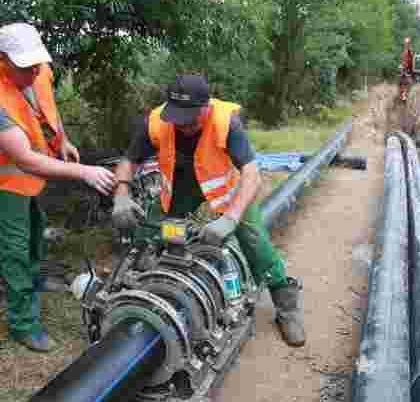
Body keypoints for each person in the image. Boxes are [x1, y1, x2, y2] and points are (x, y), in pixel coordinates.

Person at [111, 74, 306, 347]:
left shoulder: (226, 123)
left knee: (256, 243)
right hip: (180, 186)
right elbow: (129, 161)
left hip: (224, 188)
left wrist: (231, 218)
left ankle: (287, 306)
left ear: (205, 107)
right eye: (177, 118)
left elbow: (252, 174)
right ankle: (138, 286)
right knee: (148, 231)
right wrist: (121, 194)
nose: (182, 125)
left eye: (189, 118)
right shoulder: (157, 122)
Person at [0, 23, 116, 352]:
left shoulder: (37, 68)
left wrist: (64, 139)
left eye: (35, 65)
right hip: (3, 180)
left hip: (29, 176)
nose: (33, 72)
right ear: (2, 59)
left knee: (34, 232)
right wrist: (83, 171)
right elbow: (25, 159)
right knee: (15, 249)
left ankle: (21, 270)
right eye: (24, 67)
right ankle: (23, 324)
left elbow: (46, 108)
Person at [399, 36, 415, 101]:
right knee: (401, 80)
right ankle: (402, 94)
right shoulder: (404, 52)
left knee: (409, 81)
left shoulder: (410, 51)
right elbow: (403, 60)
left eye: (407, 43)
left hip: (409, 69)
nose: (406, 44)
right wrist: (402, 66)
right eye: (406, 43)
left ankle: (405, 94)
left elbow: (411, 59)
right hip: (405, 68)